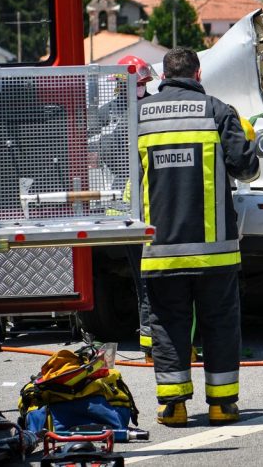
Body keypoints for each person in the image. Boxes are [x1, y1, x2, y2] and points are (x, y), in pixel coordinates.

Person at [137, 48, 260, 427]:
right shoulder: (217, 110)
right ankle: (222, 406)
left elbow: (117, 166)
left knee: (168, 324)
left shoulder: (139, 114)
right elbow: (246, 168)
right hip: (214, 252)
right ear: (198, 72)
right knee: (219, 324)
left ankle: (173, 407)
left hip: (160, 249)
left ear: (164, 74)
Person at [115, 55, 156, 360]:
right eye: (137, 83)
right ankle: (150, 343)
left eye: (143, 83)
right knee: (145, 280)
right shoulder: (113, 115)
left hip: (147, 208)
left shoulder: (147, 108)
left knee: (150, 279)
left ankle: (152, 342)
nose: (141, 88)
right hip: (134, 212)